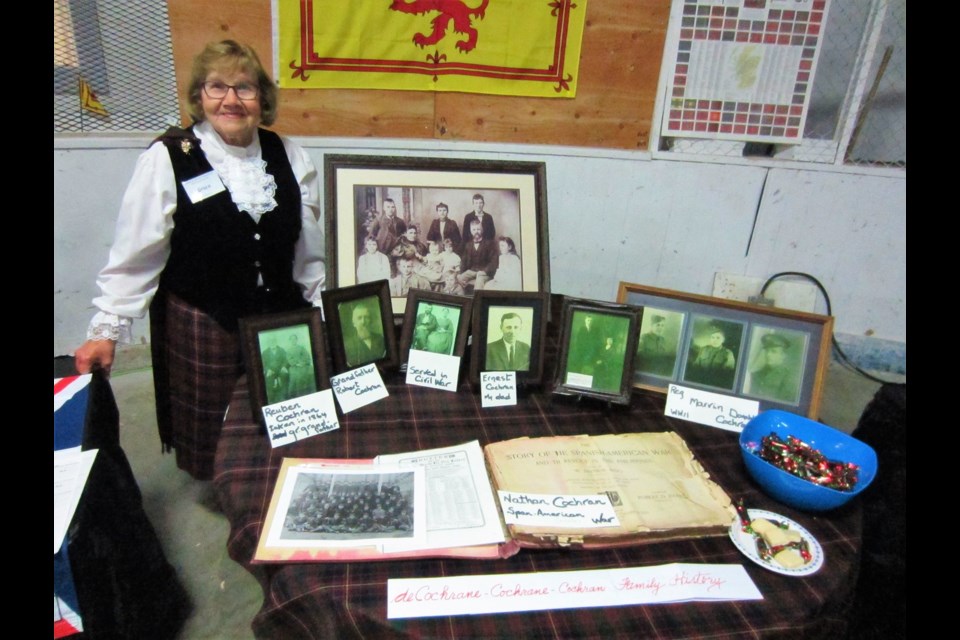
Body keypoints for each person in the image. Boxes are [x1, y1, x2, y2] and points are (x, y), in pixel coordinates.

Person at [73, 40, 325, 480]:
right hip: (206, 319)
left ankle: (271, 479)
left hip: (279, 314)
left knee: (286, 411)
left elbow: (307, 247)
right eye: (217, 86)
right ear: (199, 95)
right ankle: (223, 484)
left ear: (261, 98)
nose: (231, 99)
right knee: (213, 424)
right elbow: (138, 252)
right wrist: (107, 328)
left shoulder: (289, 154)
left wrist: (319, 303)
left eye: (244, 88)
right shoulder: (167, 157)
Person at [749, 333, 797, 402]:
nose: (768, 354)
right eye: (767, 351)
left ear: (783, 356)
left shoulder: (788, 378)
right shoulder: (757, 374)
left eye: (773, 352)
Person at [457, 219, 498, 292]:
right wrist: (460, 273)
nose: (476, 231)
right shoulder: (468, 245)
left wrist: (485, 271)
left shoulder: (489, 244)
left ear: (482, 230)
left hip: (485, 272)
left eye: (478, 229)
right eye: (474, 229)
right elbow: (464, 261)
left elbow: (494, 261)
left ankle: (477, 301)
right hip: (472, 271)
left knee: (479, 280)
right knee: (458, 279)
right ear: (471, 231)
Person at [343, 302, 386, 367]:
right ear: (354, 323)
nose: (363, 322)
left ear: (370, 320)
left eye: (366, 317)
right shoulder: (348, 346)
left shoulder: (381, 339)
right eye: (359, 318)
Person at [261, 336, 290, 404]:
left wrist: (283, 367)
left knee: (285, 376)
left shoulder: (281, 350)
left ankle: (284, 397)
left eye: (274, 341)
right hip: (271, 371)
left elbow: (286, 360)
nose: (272, 342)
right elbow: (263, 363)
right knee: (268, 379)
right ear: (268, 343)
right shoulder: (265, 352)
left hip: (280, 370)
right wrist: (268, 370)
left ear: (276, 342)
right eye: (271, 341)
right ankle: (271, 399)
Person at [285, 333, 315, 398]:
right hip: (294, 367)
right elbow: (290, 360)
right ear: (290, 341)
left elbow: (307, 357)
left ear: (297, 340)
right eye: (292, 339)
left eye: (295, 339)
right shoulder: (288, 351)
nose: (293, 341)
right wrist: (297, 363)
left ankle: (307, 394)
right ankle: (295, 396)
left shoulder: (301, 348)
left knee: (310, 373)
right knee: (295, 378)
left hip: (303, 366)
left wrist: (303, 363)